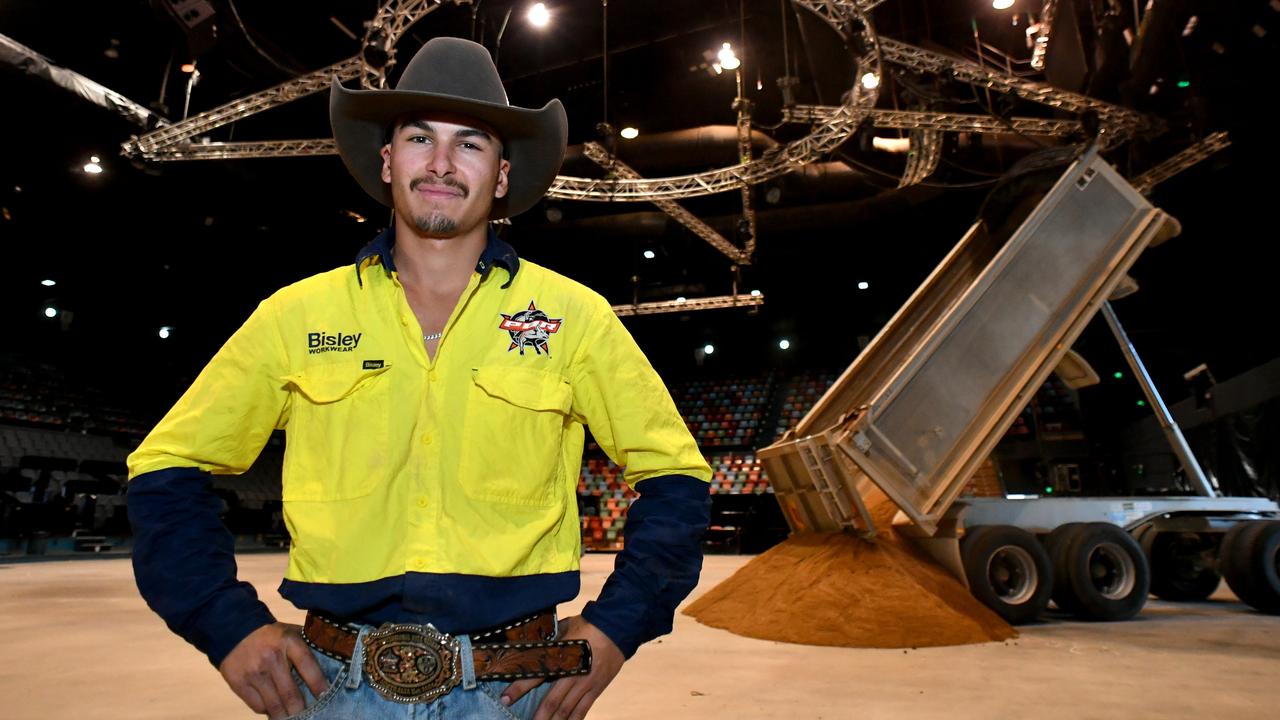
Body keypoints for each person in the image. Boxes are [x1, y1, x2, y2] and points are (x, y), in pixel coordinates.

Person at [126, 37, 711, 720]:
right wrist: (224, 622)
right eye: (418, 138)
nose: (439, 163)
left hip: (514, 691)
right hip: (333, 690)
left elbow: (677, 480)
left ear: (499, 175)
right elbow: (166, 466)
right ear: (387, 162)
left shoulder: (574, 318)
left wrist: (617, 625)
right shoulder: (295, 316)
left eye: (470, 143)